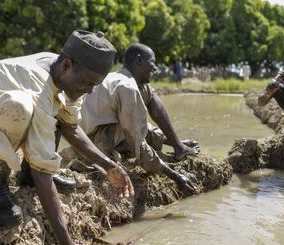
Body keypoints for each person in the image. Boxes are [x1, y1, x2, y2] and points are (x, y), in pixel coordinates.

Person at [0, 30, 134, 245]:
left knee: (55, 110)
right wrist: (67, 244)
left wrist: (108, 165)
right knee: (20, 107)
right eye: (88, 83)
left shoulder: (64, 71)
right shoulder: (38, 86)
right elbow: (43, 171)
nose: (90, 91)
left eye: (95, 85)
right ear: (67, 66)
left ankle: (23, 174)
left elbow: (70, 127)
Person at [80, 43, 199, 194]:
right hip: (95, 140)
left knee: (139, 121)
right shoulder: (127, 87)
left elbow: (153, 114)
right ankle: (174, 146)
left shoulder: (129, 81)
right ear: (139, 60)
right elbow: (139, 144)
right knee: (137, 132)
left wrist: (176, 143)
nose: (156, 68)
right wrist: (176, 177)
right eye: (153, 62)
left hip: (108, 131)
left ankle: (177, 145)